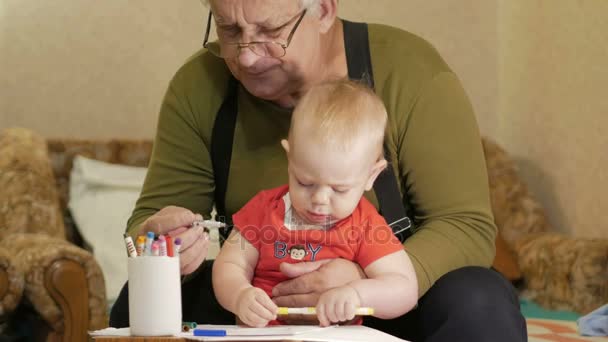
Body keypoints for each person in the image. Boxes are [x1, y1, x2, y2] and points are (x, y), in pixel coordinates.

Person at [110, 0, 526, 340]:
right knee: (139, 302)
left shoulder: (411, 72)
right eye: (229, 31)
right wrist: (163, 245)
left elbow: (466, 227)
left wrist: (360, 281)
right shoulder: (200, 84)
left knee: (478, 299)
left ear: (324, 9)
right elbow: (144, 230)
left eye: (270, 33)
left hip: (384, 302)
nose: (248, 57)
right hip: (259, 307)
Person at [212, 80, 418, 327]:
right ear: (290, 159)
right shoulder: (263, 210)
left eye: (339, 189)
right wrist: (239, 295)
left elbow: (404, 289)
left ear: (371, 176)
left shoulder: (366, 224)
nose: (319, 199)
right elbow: (230, 264)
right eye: (305, 183)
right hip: (262, 334)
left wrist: (357, 293)